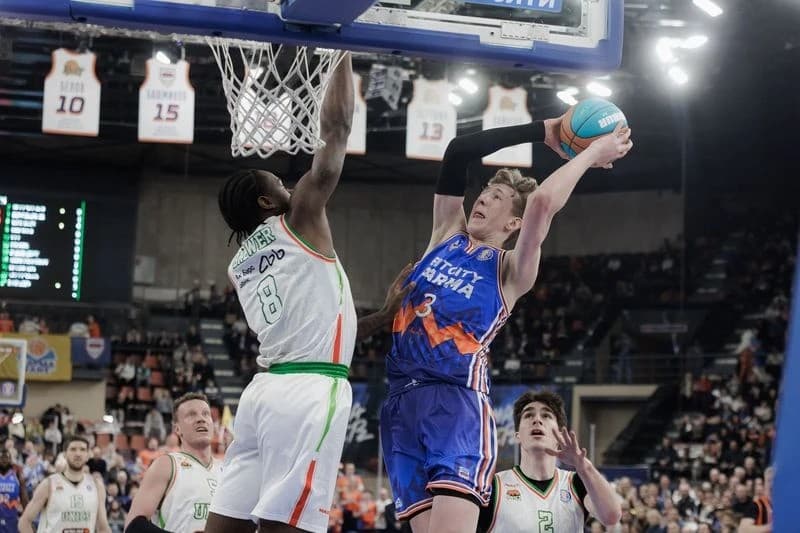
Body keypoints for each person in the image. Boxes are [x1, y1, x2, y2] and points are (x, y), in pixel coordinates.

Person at [382, 115, 632, 532]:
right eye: (484, 192)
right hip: (399, 404)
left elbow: (542, 202)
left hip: (455, 404)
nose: (482, 198)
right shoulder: (446, 233)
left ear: (513, 223)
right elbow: (458, 150)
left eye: (496, 197)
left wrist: (590, 153)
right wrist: (542, 130)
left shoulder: (511, 270)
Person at [205, 52, 414, 533]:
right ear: (267, 201)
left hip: (262, 393)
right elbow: (337, 130)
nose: (289, 186)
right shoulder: (298, 218)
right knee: (288, 526)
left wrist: (384, 315)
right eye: (280, 183)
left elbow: (318, 330)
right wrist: (340, 50)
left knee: (225, 526)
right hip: (309, 393)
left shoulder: (239, 264)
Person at [477, 391, 620, 532]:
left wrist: (584, 467)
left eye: (546, 415)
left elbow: (611, 516)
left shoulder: (576, 483)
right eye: (528, 415)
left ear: (559, 434)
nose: (537, 420)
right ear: (517, 435)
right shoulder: (493, 486)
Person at [124, 393, 221, 533]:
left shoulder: (226, 470)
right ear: (177, 429)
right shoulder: (167, 464)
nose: (201, 419)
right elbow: (133, 526)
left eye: (206, 414)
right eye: (191, 415)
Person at [19, 436, 110, 533]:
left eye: (82, 450)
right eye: (73, 449)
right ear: (65, 454)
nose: (78, 454)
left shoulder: (96, 486)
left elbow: (103, 528)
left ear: (88, 455)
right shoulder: (49, 484)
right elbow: (24, 522)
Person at [0, 448, 28, 533]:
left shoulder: (17, 473)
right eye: (1, 458)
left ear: (10, 459)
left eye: (6, 458)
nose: (4, 460)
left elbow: (24, 496)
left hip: (11, 517)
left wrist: (27, 514)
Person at [738, 466, 773, 532]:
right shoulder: (757, 504)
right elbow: (743, 530)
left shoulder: (786, 504)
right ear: (764, 483)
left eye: (775, 480)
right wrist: (772, 526)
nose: (772, 483)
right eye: (769, 480)